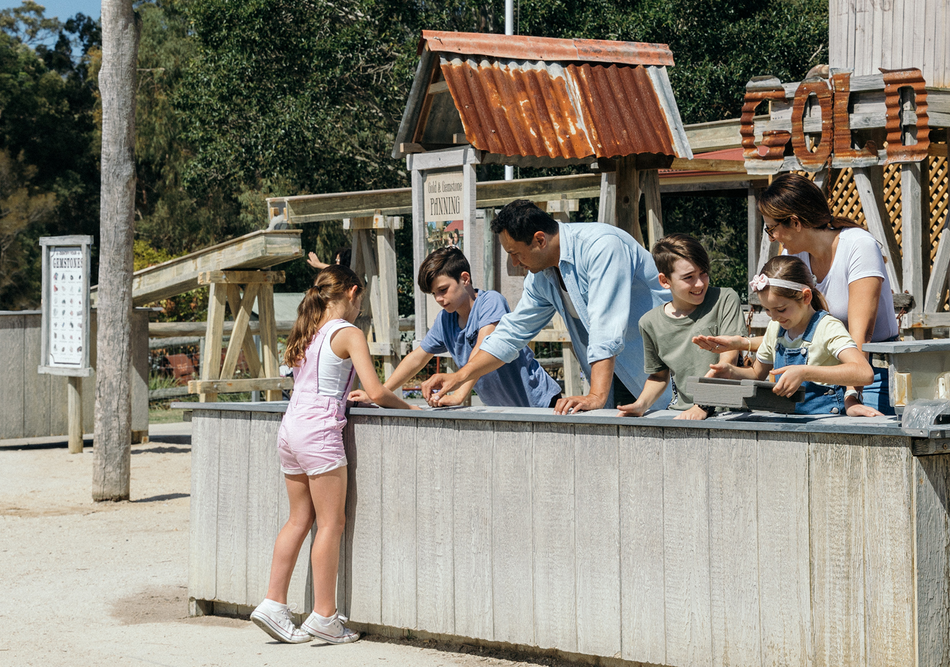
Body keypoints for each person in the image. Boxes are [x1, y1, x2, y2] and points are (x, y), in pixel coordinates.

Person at [250, 264, 412, 645]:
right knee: (331, 524)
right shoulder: (349, 332)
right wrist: (412, 408)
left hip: (291, 429)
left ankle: (273, 603)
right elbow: (376, 391)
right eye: (361, 301)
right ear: (353, 292)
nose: (361, 310)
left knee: (298, 519)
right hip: (319, 433)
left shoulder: (308, 330)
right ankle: (324, 615)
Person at [421, 199, 667, 414]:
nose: (514, 263)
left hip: (664, 371)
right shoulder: (540, 277)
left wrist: (596, 395)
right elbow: (511, 334)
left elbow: (606, 326)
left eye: (515, 253)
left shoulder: (602, 247)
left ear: (540, 239)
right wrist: (459, 376)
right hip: (614, 375)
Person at [702, 172, 898, 415]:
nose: (771, 238)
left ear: (795, 223)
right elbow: (797, 332)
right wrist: (742, 345)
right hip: (823, 377)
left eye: (771, 229)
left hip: (872, 376)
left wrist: (852, 397)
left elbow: (861, 338)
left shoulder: (859, 246)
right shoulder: (795, 255)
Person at [383, 246, 564, 410]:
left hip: (542, 402)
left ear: (465, 279)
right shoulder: (445, 320)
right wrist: (381, 392)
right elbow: (416, 358)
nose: (438, 298)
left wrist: (459, 395)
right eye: (433, 293)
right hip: (502, 410)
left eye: (443, 290)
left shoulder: (491, 301)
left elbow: (483, 348)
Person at [699, 255, 873, 415]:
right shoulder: (776, 328)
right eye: (768, 310)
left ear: (806, 297)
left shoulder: (827, 327)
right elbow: (756, 373)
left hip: (826, 424)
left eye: (781, 309)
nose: (774, 317)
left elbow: (864, 372)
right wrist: (730, 372)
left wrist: (805, 372)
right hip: (786, 423)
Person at [617, 234, 746, 420]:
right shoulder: (649, 323)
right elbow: (659, 377)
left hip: (729, 413)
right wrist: (641, 404)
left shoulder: (725, 299)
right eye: (689, 277)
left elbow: (727, 363)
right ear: (665, 281)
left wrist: (702, 406)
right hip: (683, 413)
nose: (699, 283)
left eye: (704, 273)